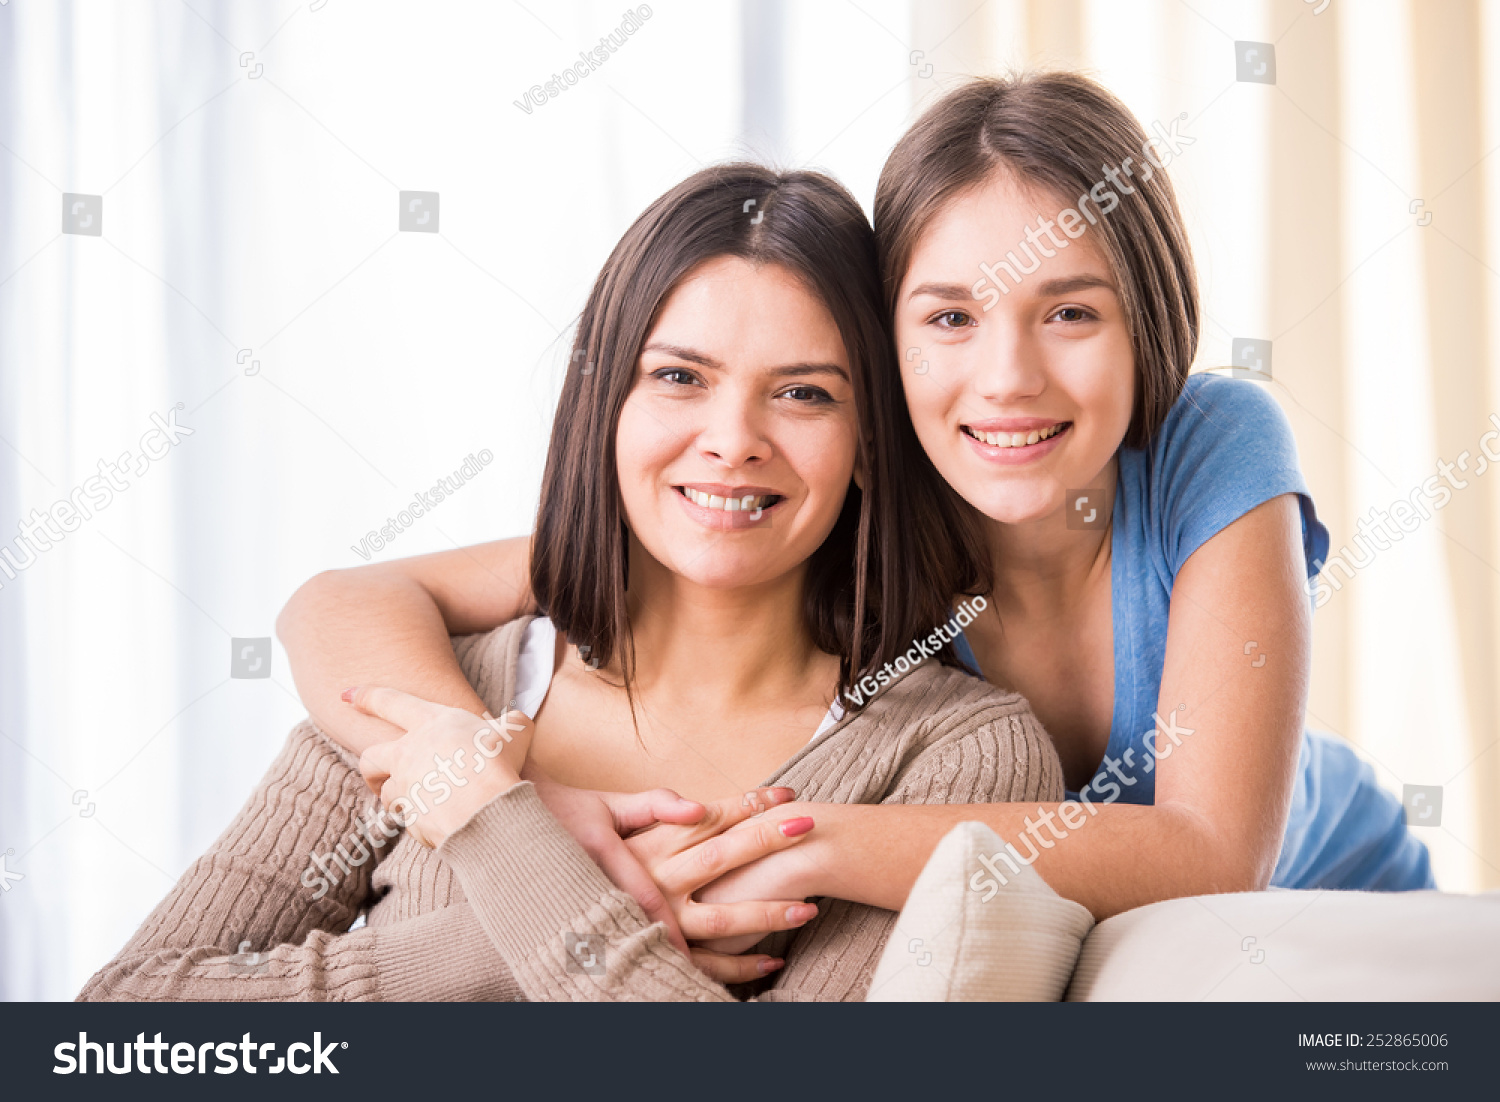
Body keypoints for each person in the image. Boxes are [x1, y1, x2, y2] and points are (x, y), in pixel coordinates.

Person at [280, 72, 1432, 933]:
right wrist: (493, 783)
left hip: (1334, 890)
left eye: (1071, 313)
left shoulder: (1211, 443)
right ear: (882, 350)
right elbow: (349, 600)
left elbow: (1213, 854)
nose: (1009, 376)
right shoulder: (830, 488)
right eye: (949, 318)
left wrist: (801, 841)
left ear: (1151, 325)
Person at [79, 164, 1063, 1002]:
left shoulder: (955, 756)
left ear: (868, 443)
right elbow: (127, 1016)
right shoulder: (441, 693)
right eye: (679, 376)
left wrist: (495, 826)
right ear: (605, 406)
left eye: (804, 392)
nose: (731, 440)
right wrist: (495, 916)